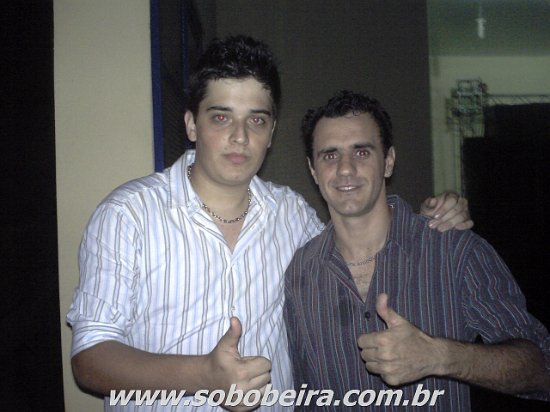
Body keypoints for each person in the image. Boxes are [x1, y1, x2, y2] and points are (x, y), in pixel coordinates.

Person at [67, 36, 471, 411]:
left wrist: (427, 218)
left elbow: (358, 246)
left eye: (256, 120)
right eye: (221, 118)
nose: (240, 137)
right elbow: (90, 359)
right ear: (191, 124)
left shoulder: (291, 214)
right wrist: (203, 375)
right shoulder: (128, 215)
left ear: (271, 132)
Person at [283, 90, 550, 411]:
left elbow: (541, 369)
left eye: (362, 151)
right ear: (313, 170)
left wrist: (439, 356)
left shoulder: (453, 250)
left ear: (388, 161)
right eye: (330, 155)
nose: (345, 169)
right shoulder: (301, 272)